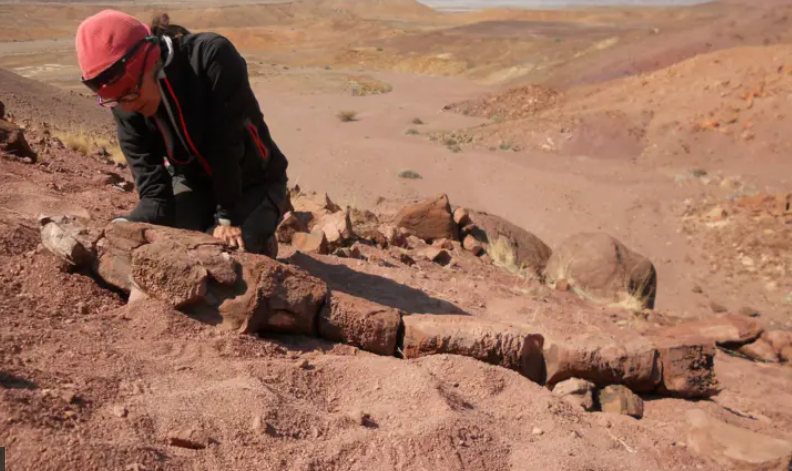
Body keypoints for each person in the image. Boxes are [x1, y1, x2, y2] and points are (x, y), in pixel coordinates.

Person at [75, 10, 289, 256]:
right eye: (115, 100)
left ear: (151, 60)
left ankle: (262, 238)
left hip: (252, 181)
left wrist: (227, 217)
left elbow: (226, 143)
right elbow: (154, 194)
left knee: (226, 255)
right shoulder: (124, 103)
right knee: (166, 249)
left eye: (131, 94)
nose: (128, 107)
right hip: (193, 182)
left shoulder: (210, 56)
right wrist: (127, 228)